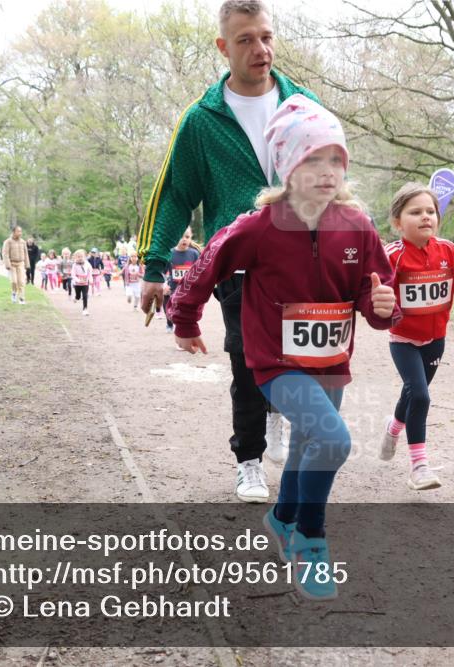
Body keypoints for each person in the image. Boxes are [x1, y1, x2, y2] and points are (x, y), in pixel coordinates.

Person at [169, 96, 398, 599]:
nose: (327, 170)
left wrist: (382, 304)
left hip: (331, 358)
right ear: (286, 168)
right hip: (275, 361)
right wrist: (184, 318)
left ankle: (282, 517)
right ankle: (309, 542)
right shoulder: (258, 227)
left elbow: (376, 294)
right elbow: (208, 265)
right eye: (312, 159)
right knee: (334, 441)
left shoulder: (357, 226)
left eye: (335, 159)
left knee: (306, 444)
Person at [135, 0, 320, 502]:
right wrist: (154, 266)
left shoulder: (303, 104)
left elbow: (332, 178)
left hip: (303, 260)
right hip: (236, 263)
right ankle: (250, 460)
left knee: (302, 355)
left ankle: (279, 412)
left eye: (266, 37)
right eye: (245, 40)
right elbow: (176, 193)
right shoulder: (201, 120)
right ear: (223, 47)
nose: (261, 49)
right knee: (246, 360)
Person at [380, 183, 454, 490]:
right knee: (421, 396)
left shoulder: (448, 251)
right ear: (398, 222)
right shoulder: (393, 256)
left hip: (436, 339)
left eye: (430, 211)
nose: (425, 217)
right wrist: (382, 302)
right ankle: (419, 467)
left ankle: (394, 427)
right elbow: (376, 288)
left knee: (413, 393)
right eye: (416, 212)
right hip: (403, 341)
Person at [163, 228, 201, 333]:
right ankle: (169, 323)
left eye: (187, 237)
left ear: (190, 238)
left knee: (185, 313)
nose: (184, 240)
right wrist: (164, 284)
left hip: (188, 290)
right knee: (170, 309)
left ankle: (181, 330)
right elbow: (162, 272)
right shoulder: (169, 253)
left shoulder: (194, 254)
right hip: (173, 289)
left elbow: (199, 272)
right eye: (181, 236)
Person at [2, 226, 30, 304]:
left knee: (21, 281)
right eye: (18, 231)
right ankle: (14, 293)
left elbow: (26, 253)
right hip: (12, 264)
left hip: (21, 263)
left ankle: (21, 298)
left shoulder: (23, 242)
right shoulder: (8, 242)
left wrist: (27, 264)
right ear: (14, 232)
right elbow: (5, 254)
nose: (20, 233)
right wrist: (7, 264)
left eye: (21, 231)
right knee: (14, 281)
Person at [70, 249, 93, 316]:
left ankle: (85, 309)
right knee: (78, 296)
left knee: (85, 296)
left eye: (81, 256)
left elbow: (90, 272)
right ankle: (76, 298)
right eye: (78, 257)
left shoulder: (87, 264)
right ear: (75, 257)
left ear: (84, 257)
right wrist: (78, 280)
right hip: (77, 283)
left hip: (85, 283)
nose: (80, 258)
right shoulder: (74, 265)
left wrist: (90, 279)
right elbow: (73, 275)